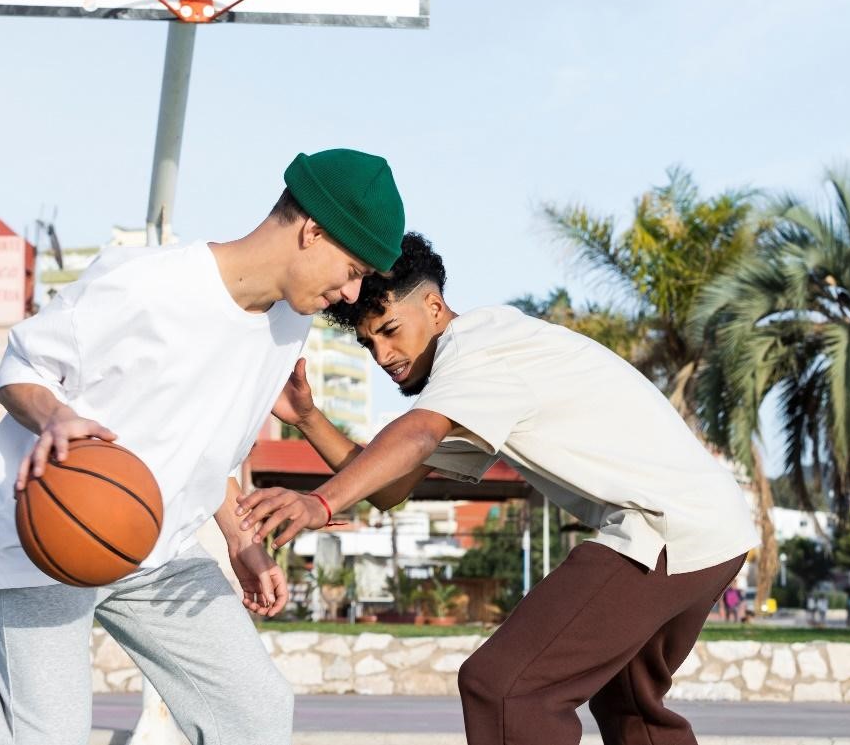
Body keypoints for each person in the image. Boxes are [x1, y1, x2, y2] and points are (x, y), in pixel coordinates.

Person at [238, 232, 760, 745]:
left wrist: (318, 501)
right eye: (370, 342)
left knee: (505, 689)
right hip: (710, 528)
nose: (382, 355)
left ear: (435, 306)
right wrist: (307, 417)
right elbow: (391, 487)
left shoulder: (476, 351)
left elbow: (417, 433)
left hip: (665, 529)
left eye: (391, 330)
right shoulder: (478, 373)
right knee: (628, 706)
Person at [0, 148, 405, 745]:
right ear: (312, 230)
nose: (351, 294)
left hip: (158, 546)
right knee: (49, 736)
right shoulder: (147, 281)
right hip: (43, 530)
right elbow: (21, 367)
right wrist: (57, 418)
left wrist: (242, 540)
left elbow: (205, 447)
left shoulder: (288, 325)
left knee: (255, 711)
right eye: (351, 270)